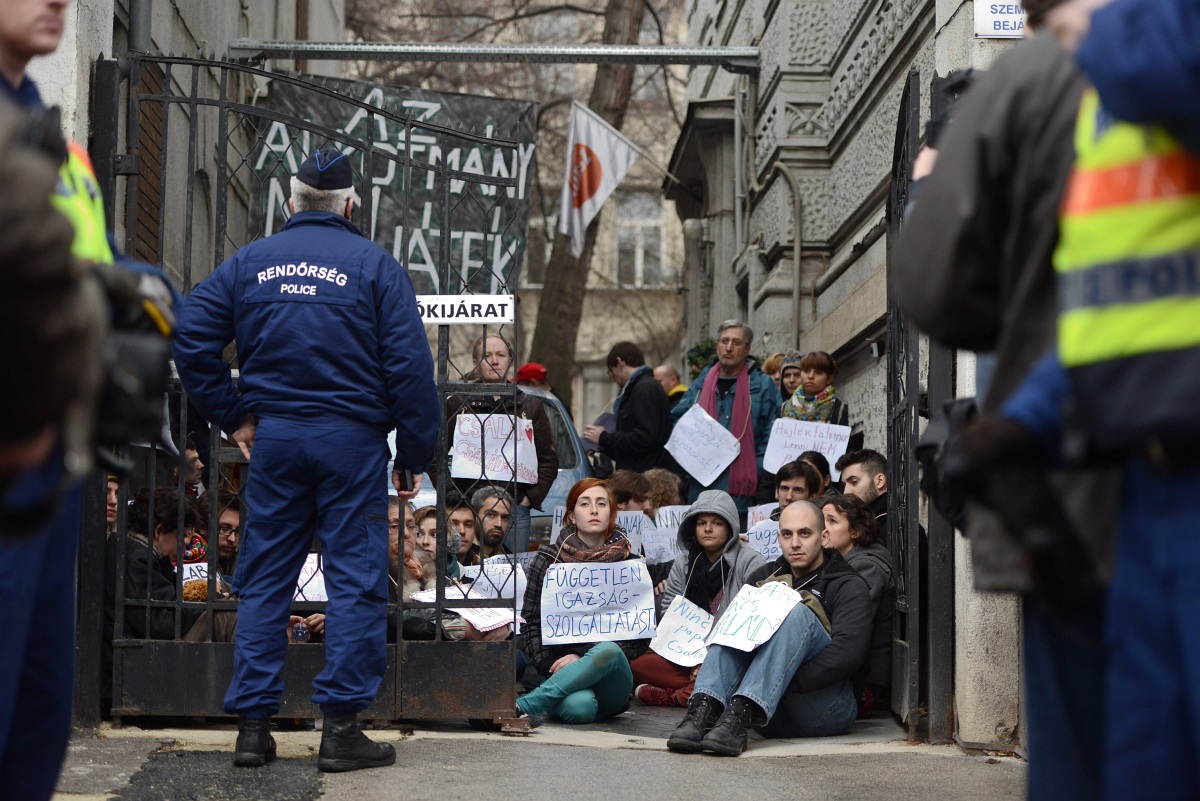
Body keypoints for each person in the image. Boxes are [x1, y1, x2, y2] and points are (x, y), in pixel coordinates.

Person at [891, 3, 1120, 797]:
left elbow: (935, 289)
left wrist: (930, 181)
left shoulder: (1025, 87)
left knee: (1082, 750)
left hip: (1066, 476)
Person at [173, 147, 439, 772]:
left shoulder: (251, 262)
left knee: (265, 578)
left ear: (289, 204)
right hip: (351, 443)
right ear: (352, 206)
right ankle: (341, 730)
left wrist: (234, 415)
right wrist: (414, 453)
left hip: (278, 441)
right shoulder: (375, 266)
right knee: (355, 581)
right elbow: (410, 372)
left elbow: (190, 334)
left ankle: (252, 728)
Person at [0, 3, 133, 797]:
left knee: (38, 708)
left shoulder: (53, 136)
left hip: (52, 452)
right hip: (11, 446)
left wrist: (131, 286)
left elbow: (81, 263)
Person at [665, 500, 871, 755]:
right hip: (763, 716)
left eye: (804, 533)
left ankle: (739, 711)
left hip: (825, 708)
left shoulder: (848, 583)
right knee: (734, 623)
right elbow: (731, 636)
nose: (795, 543)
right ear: (779, 538)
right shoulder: (761, 578)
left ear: (824, 537)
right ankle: (703, 710)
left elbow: (847, 654)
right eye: (787, 534)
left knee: (796, 611)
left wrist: (780, 680)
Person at [517, 478, 649, 723]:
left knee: (608, 649)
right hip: (558, 668)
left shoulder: (631, 563)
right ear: (571, 515)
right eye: (584, 503)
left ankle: (524, 705)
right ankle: (564, 695)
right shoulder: (548, 560)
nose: (594, 510)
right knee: (580, 709)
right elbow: (531, 621)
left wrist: (584, 655)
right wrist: (549, 663)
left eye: (601, 503)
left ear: (611, 513)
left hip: (612, 676)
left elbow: (640, 634)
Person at [631, 490, 766, 707]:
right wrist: (691, 659)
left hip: (729, 654)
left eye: (717, 523)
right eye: (701, 523)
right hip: (684, 651)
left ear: (730, 526)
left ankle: (675, 697)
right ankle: (701, 688)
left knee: (726, 673)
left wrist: (709, 660)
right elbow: (669, 611)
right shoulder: (684, 561)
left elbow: (753, 622)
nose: (708, 529)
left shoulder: (750, 562)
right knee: (634, 662)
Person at [445, 334, 558, 553]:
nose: (494, 361)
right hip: (468, 507)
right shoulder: (458, 403)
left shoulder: (530, 405)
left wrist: (530, 498)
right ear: (475, 362)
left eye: (500, 355)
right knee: (466, 571)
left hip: (515, 507)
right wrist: (455, 495)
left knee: (516, 575)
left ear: (510, 360)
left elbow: (548, 459)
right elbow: (435, 455)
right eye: (486, 355)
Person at [671, 321, 778, 512]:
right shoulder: (701, 383)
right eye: (724, 341)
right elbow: (677, 421)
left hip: (742, 494)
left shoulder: (763, 385)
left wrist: (757, 467)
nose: (729, 348)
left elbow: (773, 432)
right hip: (702, 488)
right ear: (717, 346)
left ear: (747, 349)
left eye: (736, 343)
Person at [820, 494, 894, 715]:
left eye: (832, 521)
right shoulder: (841, 560)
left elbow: (846, 626)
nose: (824, 529)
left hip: (865, 683)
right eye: (822, 521)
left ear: (854, 531)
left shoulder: (866, 566)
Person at [584, 342, 671, 473]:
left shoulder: (644, 389)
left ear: (619, 362)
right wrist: (605, 446)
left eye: (611, 371)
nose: (614, 379)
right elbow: (633, 442)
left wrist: (604, 437)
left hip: (643, 478)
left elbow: (646, 437)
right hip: (642, 474)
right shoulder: (642, 387)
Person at [780, 351, 850, 426]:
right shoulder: (782, 409)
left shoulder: (839, 410)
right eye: (806, 371)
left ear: (829, 379)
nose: (810, 376)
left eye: (818, 372)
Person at [835, 449, 888, 525]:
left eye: (854, 482)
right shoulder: (865, 518)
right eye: (844, 485)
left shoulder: (891, 522)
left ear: (880, 481)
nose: (846, 492)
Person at [473, 486, 513, 560]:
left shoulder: (507, 556)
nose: (499, 524)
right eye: (491, 515)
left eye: (505, 517)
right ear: (474, 516)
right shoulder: (462, 556)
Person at [449, 501, 481, 567]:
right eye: (454, 525)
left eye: (468, 525)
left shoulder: (484, 567)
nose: (462, 531)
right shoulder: (424, 570)